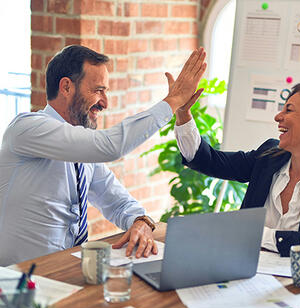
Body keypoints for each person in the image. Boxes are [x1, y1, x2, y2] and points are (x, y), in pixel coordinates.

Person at [0, 45, 206, 266]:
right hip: (18, 280)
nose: (105, 103)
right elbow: (110, 146)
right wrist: (173, 101)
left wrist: (140, 221)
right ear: (66, 87)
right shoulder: (27, 128)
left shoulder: (82, 150)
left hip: (66, 273)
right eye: (98, 90)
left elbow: (116, 201)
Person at [174, 82, 300, 262]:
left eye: (289, 109)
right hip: (247, 272)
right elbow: (209, 161)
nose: (278, 117)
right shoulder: (269, 157)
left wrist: (252, 233)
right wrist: (183, 114)